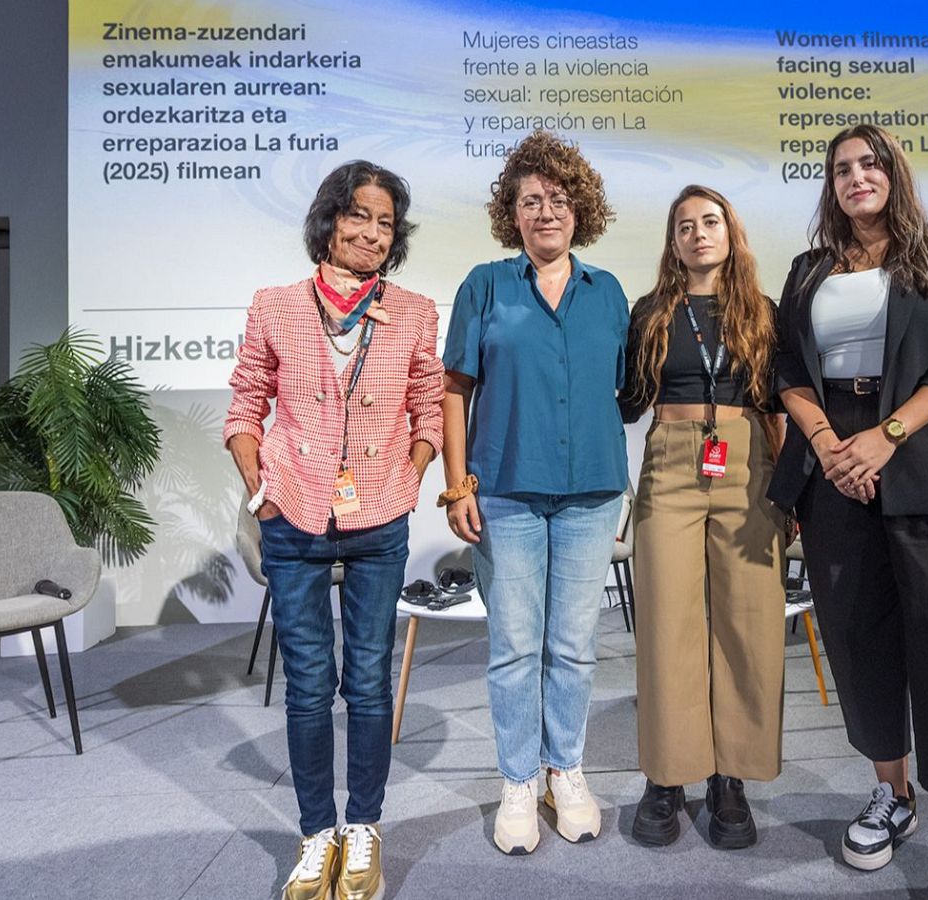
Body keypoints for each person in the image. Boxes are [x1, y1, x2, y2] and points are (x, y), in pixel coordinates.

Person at [766, 124, 928, 899]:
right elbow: (789, 371)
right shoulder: (808, 269)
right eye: (841, 169)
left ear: (895, 173)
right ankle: (891, 794)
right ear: (830, 185)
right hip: (834, 471)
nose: (856, 177)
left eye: (870, 164)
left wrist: (887, 435)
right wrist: (834, 445)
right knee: (857, 638)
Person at [225, 160, 443, 900]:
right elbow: (245, 404)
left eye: (386, 222)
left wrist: (412, 474)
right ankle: (317, 833)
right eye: (360, 216)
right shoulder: (276, 305)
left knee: (371, 682)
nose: (373, 233)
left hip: (380, 513)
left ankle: (365, 829)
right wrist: (259, 485)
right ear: (329, 221)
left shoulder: (411, 310)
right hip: (294, 515)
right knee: (311, 685)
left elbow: (428, 406)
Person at [439, 130, 629, 855]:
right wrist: (457, 484)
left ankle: (566, 771)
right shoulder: (484, 285)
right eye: (530, 201)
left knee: (575, 646)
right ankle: (519, 781)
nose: (545, 211)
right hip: (507, 492)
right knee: (516, 646)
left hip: (590, 493)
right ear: (510, 215)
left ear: (580, 211)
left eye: (558, 199)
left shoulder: (607, 293)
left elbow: (628, 392)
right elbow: (455, 389)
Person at [619, 185, 787, 849]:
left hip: (749, 463)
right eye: (684, 225)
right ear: (673, 240)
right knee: (668, 624)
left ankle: (731, 778)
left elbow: (779, 406)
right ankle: (668, 777)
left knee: (749, 624)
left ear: (729, 230)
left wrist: (793, 493)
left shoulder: (763, 312)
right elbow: (629, 400)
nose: (697, 233)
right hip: (672, 459)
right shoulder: (651, 311)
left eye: (709, 221)